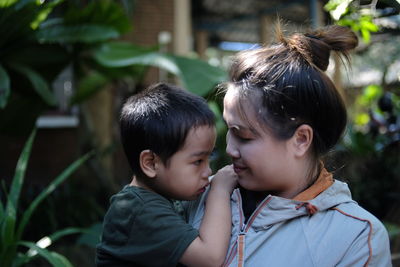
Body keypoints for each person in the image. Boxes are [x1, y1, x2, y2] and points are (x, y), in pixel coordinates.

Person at [185, 25, 392, 266]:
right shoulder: (197, 195)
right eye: (229, 130)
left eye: (244, 136)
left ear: (301, 139)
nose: (230, 148)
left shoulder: (355, 238)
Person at [96, 83, 237, 267]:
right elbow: (209, 258)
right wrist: (220, 190)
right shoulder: (140, 210)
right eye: (197, 161)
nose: (208, 171)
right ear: (151, 163)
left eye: (208, 158)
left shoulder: (158, 198)